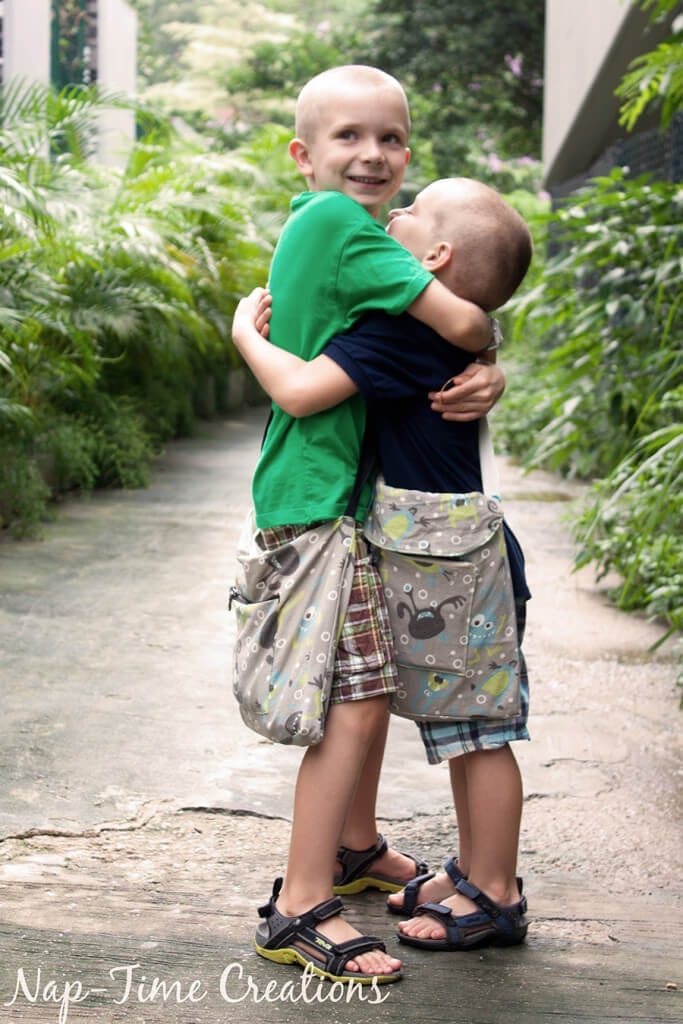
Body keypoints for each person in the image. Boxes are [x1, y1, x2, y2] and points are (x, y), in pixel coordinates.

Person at [235, 65, 506, 984]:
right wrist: (486, 350)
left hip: (333, 496)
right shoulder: (343, 227)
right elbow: (464, 315)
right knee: (348, 704)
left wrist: (483, 364)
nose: (375, 156)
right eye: (349, 137)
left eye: (390, 139)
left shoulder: (343, 232)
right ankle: (298, 905)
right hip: (320, 502)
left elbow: (448, 318)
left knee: (366, 683)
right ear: (303, 155)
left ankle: (348, 852)